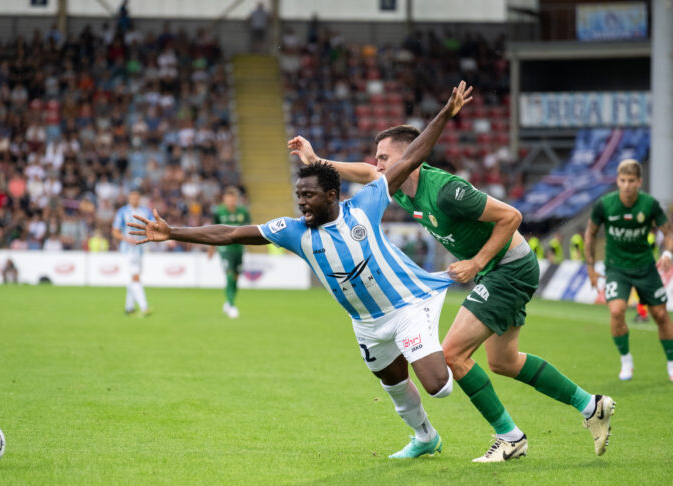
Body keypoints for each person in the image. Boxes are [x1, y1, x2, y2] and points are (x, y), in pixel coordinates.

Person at [129, 82, 472, 459]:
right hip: (367, 323)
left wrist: (445, 112)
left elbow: (412, 156)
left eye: (307, 196)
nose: (301, 203)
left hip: (404, 307)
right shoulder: (293, 231)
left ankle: (448, 367)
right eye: (298, 196)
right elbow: (228, 233)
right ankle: (425, 437)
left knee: (440, 386)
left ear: (330, 196)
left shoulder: (365, 205)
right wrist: (173, 231)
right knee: (393, 386)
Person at [288, 125, 614, 463]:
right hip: (497, 270)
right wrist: (316, 160)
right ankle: (592, 406)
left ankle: (510, 438)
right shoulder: (396, 186)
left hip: (509, 268)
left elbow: (512, 216)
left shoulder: (445, 191)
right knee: (503, 362)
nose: (378, 164)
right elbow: (365, 171)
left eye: (385, 156)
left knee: (454, 354)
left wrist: (476, 262)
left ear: (409, 155)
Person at [585, 159, 673, 381]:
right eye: (622, 180)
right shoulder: (604, 204)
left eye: (631, 181)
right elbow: (591, 233)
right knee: (616, 311)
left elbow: (668, 233)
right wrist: (591, 267)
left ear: (639, 182)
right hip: (616, 269)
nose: (626, 185)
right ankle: (626, 360)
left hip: (645, 267)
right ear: (617, 181)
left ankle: (671, 362)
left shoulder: (649, 204)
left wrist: (667, 254)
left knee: (661, 315)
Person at [207, 187, 251, 319]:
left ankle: (228, 301)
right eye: (228, 198)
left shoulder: (243, 211)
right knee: (230, 275)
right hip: (225, 248)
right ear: (224, 199)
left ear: (236, 199)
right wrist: (211, 248)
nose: (231, 201)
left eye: (233, 198)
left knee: (236, 277)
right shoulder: (219, 212)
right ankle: (232, 305)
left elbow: (249, 228)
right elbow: (212, 231)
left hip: (239, 249)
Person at [112, 189, 153, 317]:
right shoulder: (122, 212)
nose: (134, 200)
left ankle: (129, 308)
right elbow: (115, 231)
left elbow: (154, 226)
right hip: (127, 250)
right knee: (135, 276)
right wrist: (126, 239)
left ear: (139, 199)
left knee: (133, 278)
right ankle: (144, 306)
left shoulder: (145, 211)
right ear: (129, 199)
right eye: (132, 198)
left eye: (136, 198)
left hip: (140, 249)